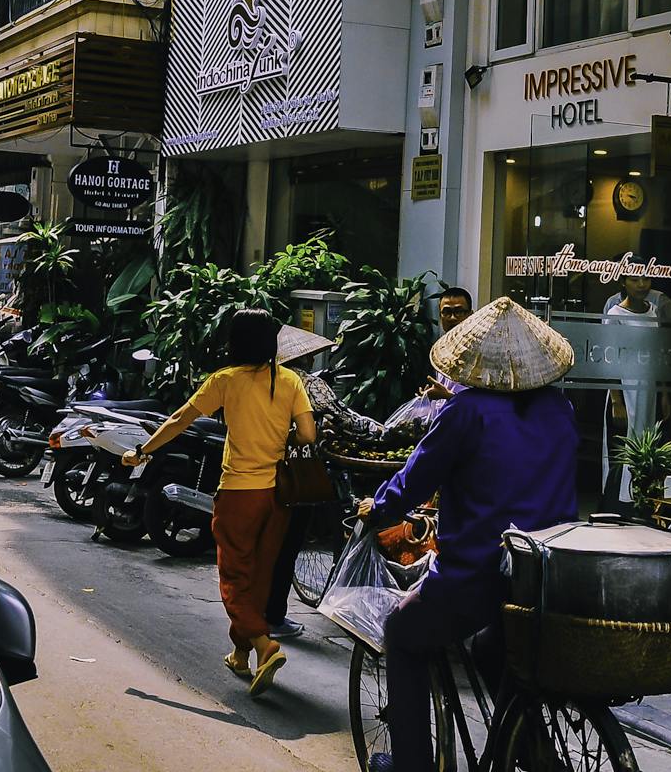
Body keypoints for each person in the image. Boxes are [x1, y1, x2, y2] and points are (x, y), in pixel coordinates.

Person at [355, 296, 579, 772]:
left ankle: (413, 764)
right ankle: (530, 749)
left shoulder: (465, 411)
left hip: (478, 573)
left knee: (402, 631)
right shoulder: (561, 409)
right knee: (494, 650)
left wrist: (379, 508)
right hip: (545, 574)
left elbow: (416, 479)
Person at [120, 309, 315, 695]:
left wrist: (142, 451)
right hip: (278, 496)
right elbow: (308, 435)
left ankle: (263, 644)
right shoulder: (290, 380)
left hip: (239, 492)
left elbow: (180, 419)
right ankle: (241, 654)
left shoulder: (225, 380)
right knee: (259, 574)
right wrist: (282, 438)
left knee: (233, 576)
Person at [601, 273, 671, 503]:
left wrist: (663, 394)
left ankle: (642, 498)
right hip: (625, 389)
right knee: (622, 444)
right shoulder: (615, 314)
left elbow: (657, 353)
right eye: (635, 280)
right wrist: (616, 401)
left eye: (646, 279)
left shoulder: (653, 311)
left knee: (648, 442)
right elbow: (609, 358)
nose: (641, 285)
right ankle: (618, 501)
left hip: (649, 388)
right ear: (623, 282)